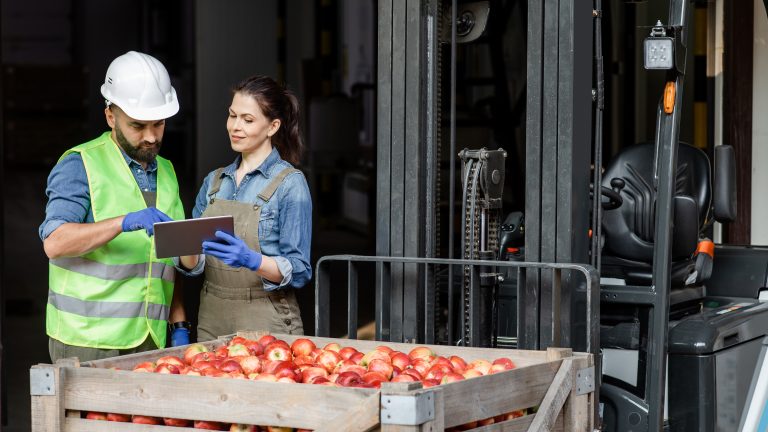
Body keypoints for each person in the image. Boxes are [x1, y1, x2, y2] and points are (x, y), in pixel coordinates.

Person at [39, 51, 190, 362]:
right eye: (138, 125)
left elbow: (172, 260)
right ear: (111, 116)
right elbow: (55, 243)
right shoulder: (80, 164)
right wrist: (123, 223)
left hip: (152, 338)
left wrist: (179, 322)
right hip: (87, 340)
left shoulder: (168, 172)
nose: (151, 137)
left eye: (159, 124)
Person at [177, 75, 312, 341]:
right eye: (232, 116)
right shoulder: (214, 182)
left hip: (266, 317)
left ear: (272, 126)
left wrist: (253, 260)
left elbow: (299, 270)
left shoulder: (290, 184)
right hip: (212, 316)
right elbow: (195, 265)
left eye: (247, 120)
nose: (235, 127)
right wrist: (179, 240)